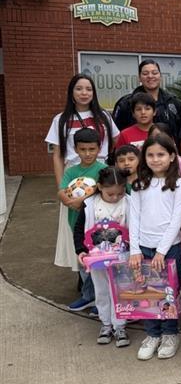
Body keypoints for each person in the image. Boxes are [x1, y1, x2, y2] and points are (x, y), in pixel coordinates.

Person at [46, 73, 118, 286]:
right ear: (71, 92)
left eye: (88, 89)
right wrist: (62, 187)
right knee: (75, 224)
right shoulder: (61, 119)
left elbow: (114, 142)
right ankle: (81, 272)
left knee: (99, 222)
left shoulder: (104, 116)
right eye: (79, 88)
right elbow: (58, 154)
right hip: (73, 176)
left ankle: (101, 272)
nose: (84, 93)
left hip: (99, 173)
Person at [129, 133, 181, 361]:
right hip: (143, 248)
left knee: (167, 294)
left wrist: (162, 250)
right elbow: (134, 217)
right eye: (150, 155)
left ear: (172, 156)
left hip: (169, 249)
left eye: (161, 154)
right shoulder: (139, 184)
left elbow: (177, 219)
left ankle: (170, 334)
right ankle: (152, 334)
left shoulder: (179, 184)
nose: (155, 159)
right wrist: (134, 249)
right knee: (146, 292)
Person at [73, 167, 130, 347]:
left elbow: (135, 229)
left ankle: (120, 326)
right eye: (110, 194)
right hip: (97, 257)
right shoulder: (90, 204)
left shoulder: (129, 202)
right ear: (99, 187)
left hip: (121, 256)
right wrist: (80, 249)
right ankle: (106, 324)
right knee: (102, 290)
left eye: (119, 193)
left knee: (120, 291)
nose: (115, 198)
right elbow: (79, 228)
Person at [58, 129, 107, 311]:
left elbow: (104, 189)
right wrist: (67, 201)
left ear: (99, 148)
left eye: (92, 149)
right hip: (76, 224)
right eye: (83, 149)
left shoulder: (103, 170)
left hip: (97, 226)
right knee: (83, 263)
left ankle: (100, 299)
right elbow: (62, 190)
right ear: (76, 149)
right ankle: (88, 297)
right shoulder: (71, 171)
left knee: (100, 265)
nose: (87, 153)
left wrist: (83, 200)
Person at [112, 60, 181, 139]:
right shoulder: (126, 103)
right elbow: (115, 135)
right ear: (139, 78)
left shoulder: (173, 102)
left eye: (154, 73)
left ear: (160, 76)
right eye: (145, 73)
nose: (150, 76)